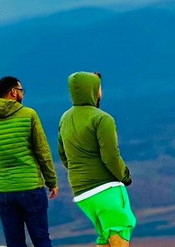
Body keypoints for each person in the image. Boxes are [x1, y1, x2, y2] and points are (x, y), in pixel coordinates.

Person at [0, 76, 58, 247]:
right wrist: (51, 181)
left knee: (14, 242)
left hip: (4, 192)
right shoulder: (29, 115)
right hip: (31, 188)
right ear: (13, 92)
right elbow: (42, 152)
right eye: (21, 91)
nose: (22, 95)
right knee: (41, 239)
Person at [58, 72, 136, 247]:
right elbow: (110, 156)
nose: (101, 92)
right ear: (93, 90)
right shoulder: (102, 118)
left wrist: (80, 174)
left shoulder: (65, 119)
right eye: (99, 88)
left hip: (81, 192)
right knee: (119, 229)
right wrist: (125, 176)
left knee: (104, 237)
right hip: (105, 187)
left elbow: (63, 155)